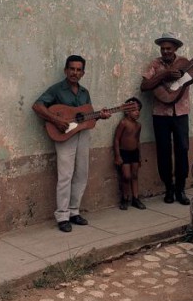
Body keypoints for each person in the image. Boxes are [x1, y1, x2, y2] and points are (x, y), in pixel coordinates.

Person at [32, 55, 111, 232]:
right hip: (64, 136)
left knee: (82, 174)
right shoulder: (56, 90)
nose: (75, 72)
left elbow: (86, 117)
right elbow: (37, 106)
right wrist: (56, 120)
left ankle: (74, 212)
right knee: (65, 175)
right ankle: (62, 215)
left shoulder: (84, 93)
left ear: (83, 73)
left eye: (78, 70)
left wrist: (100, 116)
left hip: (82, 135)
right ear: (66, 70)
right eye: (72, 69)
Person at [140, 32, 193, 205]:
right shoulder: (154, 65)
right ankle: (169, 189)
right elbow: (144, 86)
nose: (165, 51)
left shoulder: (184, 63)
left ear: (176, 49)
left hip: (181, 114)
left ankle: (181, 189)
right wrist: (164, 74)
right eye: (163, 48)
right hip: (160, 114)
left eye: (169, 48)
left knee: (182, 150)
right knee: (163, 151)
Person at [113, 97, 145, 210]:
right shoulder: (123, 123)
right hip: (124, 153)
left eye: (138, 110)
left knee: (135, 175)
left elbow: (138, 140)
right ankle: (125, 198)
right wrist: (118, 156)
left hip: (134, 153)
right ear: (127, 111)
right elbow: (116, 139)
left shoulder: (138, 125)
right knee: (126, 176)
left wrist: (140, 156)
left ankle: (135, 198)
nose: (137, 112)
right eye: (134, 110)